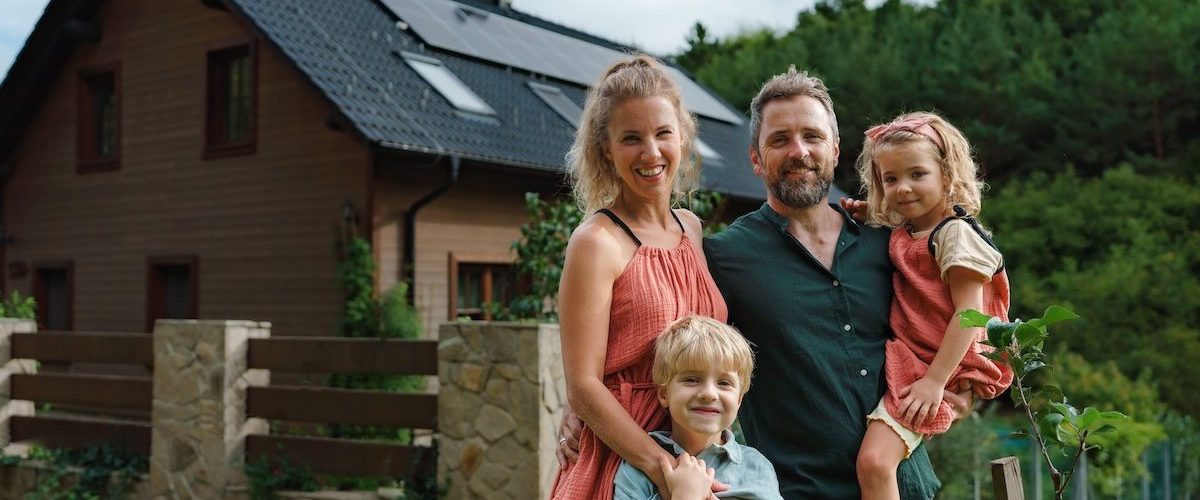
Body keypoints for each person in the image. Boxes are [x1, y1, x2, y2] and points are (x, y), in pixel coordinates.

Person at [703, 67, 970, 499]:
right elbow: (676, 356)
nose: (799, 151)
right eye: (779, 140)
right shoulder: (725, 257)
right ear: (755, 158)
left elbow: (963, 314)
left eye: (812, 136)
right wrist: (580, 410)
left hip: (907, 485)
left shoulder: (890, 241)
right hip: (798, 491)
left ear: (835, 148)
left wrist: (958, 386)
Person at [552, 54, 729, 500]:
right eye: (631, 138)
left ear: (682, 137)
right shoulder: (596, 241)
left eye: (662, 133)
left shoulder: (691, 227)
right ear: (606, 150)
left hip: (700, 450)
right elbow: (584, 384)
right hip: (625, 460)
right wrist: (663, 469)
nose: (651, 152)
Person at [851, 112, 1013, 499]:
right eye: (890, 179)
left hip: (940, 367)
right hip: (920, 359)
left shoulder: (955, 235)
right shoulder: (910, 229)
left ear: (947, 174)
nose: (903, 188)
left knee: (874, 462)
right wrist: (865, 215)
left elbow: (970, 315)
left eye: (917, 174)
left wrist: (935, 382)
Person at [614, 315, 782, 500]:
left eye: (724, 383)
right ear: (663, 394)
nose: (709, 393)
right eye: (691, 380)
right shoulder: (638, 466)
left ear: (739, 400)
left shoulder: (756, 468)